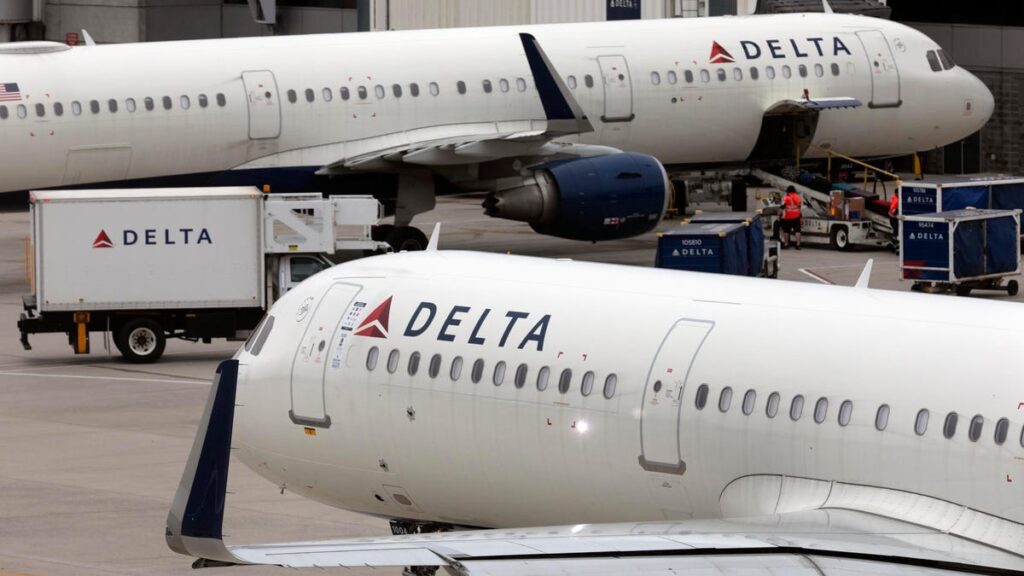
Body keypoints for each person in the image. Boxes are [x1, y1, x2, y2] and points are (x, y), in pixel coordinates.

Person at [780, 185, 802, 249]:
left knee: (786, 231)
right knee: (797, 231)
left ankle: (786, 244)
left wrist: (779, 215)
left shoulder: (786, 197)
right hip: (796, 216)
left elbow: (782, 207)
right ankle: (798, 244)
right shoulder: (798, 197)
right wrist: (801, 217)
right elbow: (799, 207)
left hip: (788, 217)